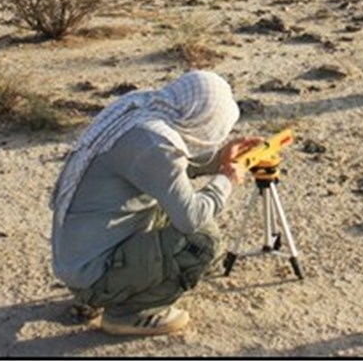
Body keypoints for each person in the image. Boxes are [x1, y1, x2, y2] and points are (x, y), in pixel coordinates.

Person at [50, 70, 262, 336]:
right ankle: (128, 312)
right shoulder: (154, 143)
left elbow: (159, 171)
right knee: (201, 242)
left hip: (80, 261)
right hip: (93, 274)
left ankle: (108, 292)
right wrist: (226, 179)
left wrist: (219, 159)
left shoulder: (140, 110)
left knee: (168, 208)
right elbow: (191, 217)